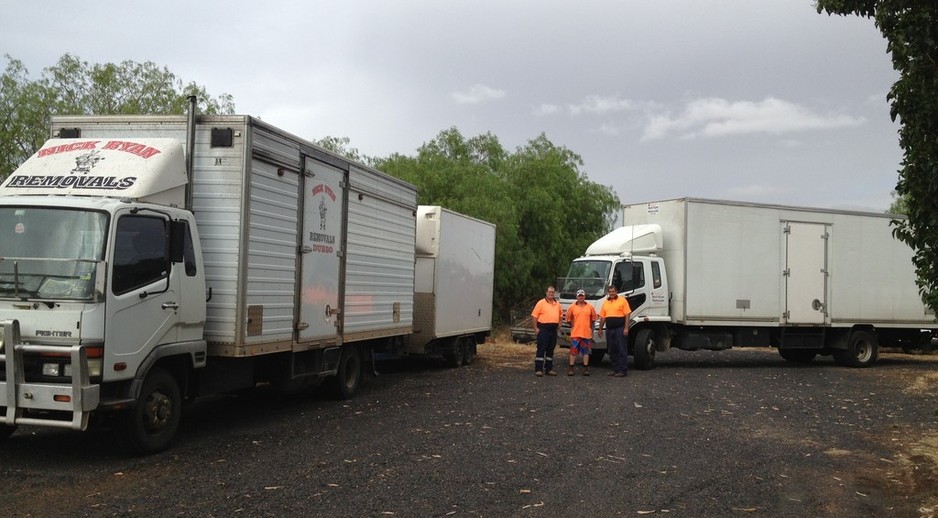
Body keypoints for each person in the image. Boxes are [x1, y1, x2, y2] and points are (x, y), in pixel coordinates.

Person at [599, 285, 631, 377]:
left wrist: (626, 328)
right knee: (612, 350)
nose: (612, 293)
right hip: (609, 329)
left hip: (619, 329)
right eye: (610, 292)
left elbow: (627, 314)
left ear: (616, 292)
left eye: (613, 291)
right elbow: (603, 317)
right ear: (608, 293)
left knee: (621, 349)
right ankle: (615, 369)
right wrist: (600, 329)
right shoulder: (606, 302)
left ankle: (622, 370)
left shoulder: (622, 300)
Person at [531, 285, 562, 376]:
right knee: (541, 348)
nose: (551, 294)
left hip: (553, 330)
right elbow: (534, 316)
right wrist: (535, 328)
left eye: (552, 292)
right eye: (549, 292)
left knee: (550, 350)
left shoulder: (558, 304)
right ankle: (539, 369)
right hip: (543, 329)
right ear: (546, 293)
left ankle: (549, 369)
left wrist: (559, 325)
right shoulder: (541, 303)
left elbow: (560, 316)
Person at [565, 289, 598, 376]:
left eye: (582, 295)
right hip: (575, 333)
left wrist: (589, 327)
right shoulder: (572, 307)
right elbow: (568, 319)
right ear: (576, 297)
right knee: (573, 351)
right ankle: (571, 368)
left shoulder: (590, 307)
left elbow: (593, 319)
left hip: (586, 333)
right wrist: (573, 325)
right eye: (579, 296)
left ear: (584, 297)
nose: (581, 297)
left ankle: (586, 368)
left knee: (586, 351)